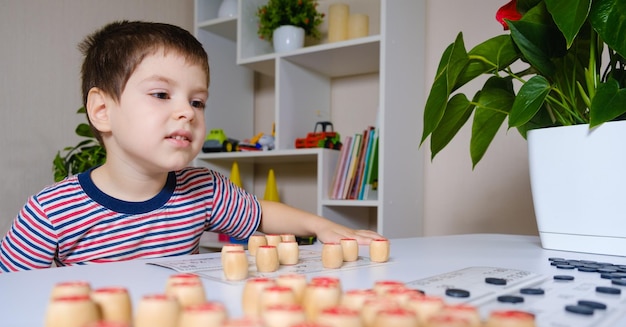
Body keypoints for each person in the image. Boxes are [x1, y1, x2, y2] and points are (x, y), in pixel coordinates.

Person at [0, 21, 383, 272]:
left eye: (197, 101)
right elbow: (12, 298)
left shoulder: (203, 189)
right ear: (102, 111)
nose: (186, 112)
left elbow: (260, 214)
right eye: (162, 94)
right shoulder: (49, 212)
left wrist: (324, 227)